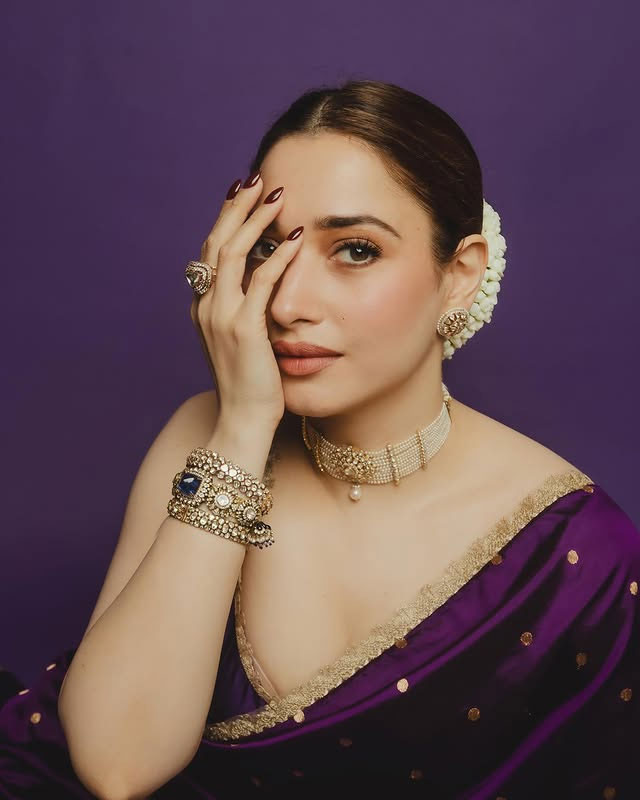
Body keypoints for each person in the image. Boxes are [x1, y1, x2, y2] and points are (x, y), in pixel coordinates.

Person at [1, 79, 639, 800]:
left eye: (356, 250)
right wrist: (243, 427)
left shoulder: (575, 552)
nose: (289, 302)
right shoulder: (206, 434)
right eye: (268, 248)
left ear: (460, 275)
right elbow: (117, 765)